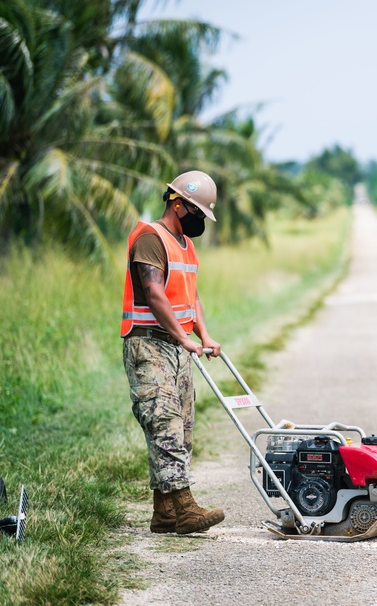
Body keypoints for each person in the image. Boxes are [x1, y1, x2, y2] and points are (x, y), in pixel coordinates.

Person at [121, 170, 225, 535]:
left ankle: (163, 512)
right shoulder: (151, 238)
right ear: (178, 204)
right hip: (148, 345)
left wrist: (204, 335)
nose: (199, 221)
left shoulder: (186, 245)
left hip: (177, 348)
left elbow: (189, 296)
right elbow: (154, 294)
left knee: (182, 430)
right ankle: (185, 509)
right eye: (197, 213)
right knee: (163, 423)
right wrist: (184, 338)